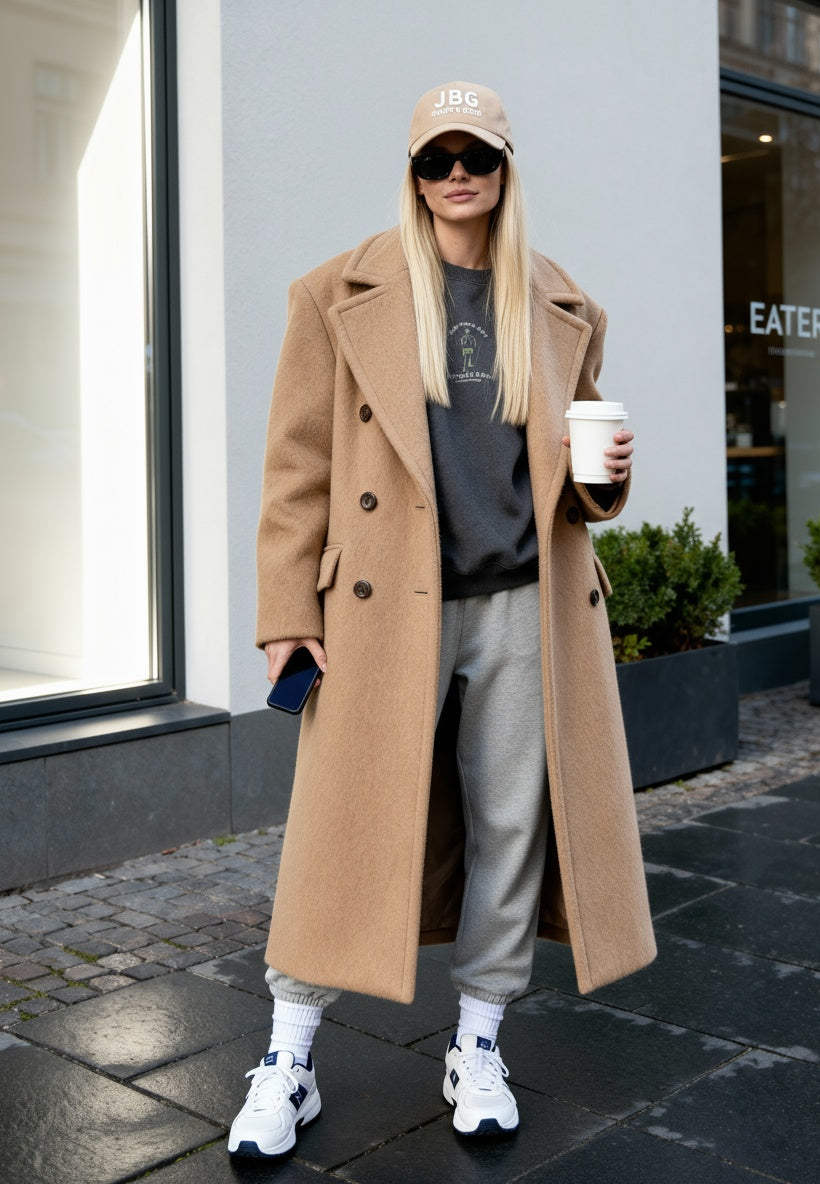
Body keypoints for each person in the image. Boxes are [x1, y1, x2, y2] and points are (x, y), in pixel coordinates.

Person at [228, 80, 656, 1158]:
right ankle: (287, 1056)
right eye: (436, 157)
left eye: (478, 155)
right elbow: (297, 469)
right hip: (382, 606)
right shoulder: (338, 293)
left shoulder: (560, 306)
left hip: (524, 603)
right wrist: (287, 610)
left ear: (507, 169)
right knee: (344, 824)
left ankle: (477, 1039)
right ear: (413, 171)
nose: (457, 172)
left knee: (512, 826)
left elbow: (577, 485)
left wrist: (608, 481)